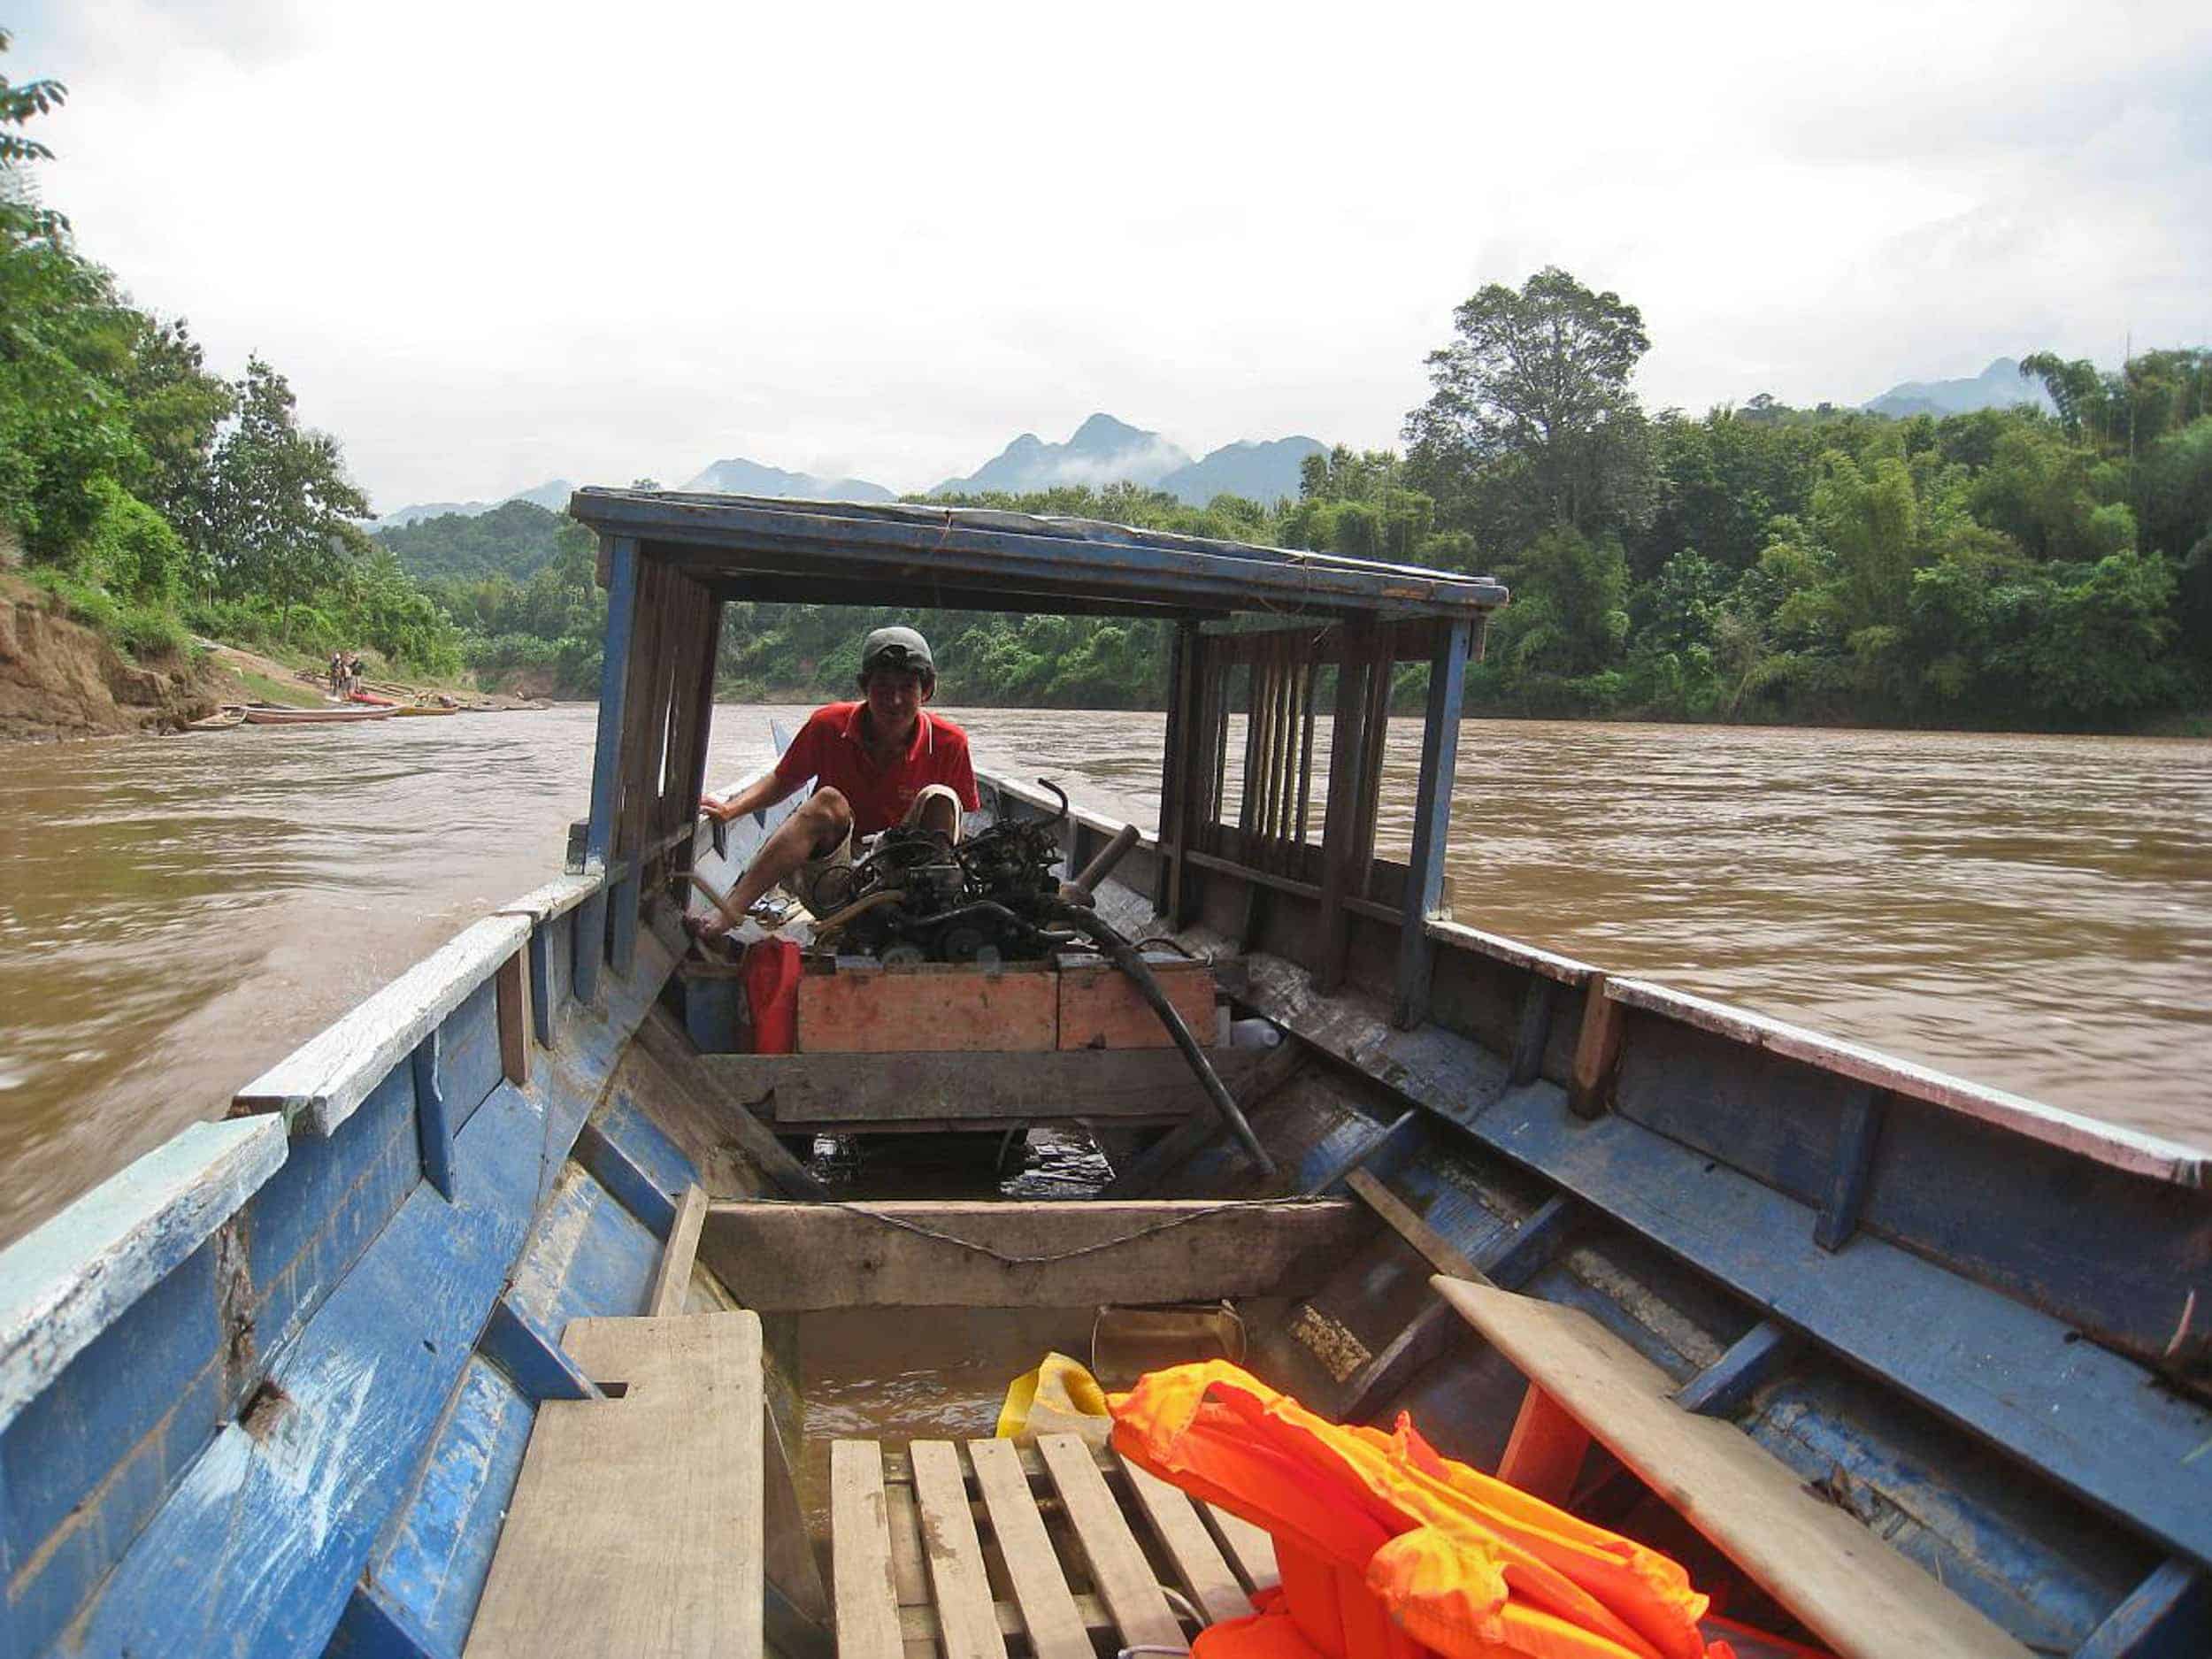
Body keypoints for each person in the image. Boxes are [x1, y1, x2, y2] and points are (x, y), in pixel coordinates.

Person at [699, 626, 978, 934]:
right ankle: (729, 912)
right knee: (828, 800)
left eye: (907, 687)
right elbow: (783, 781)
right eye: (883, 687)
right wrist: (730, 811)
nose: (895, 700)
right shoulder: (827, 725)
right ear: (864, 687)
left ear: (926, 691)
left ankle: (934, 919)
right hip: (835, 884)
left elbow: (962, 827)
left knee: (940, 796)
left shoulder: (950, 743)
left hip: (910, 887)